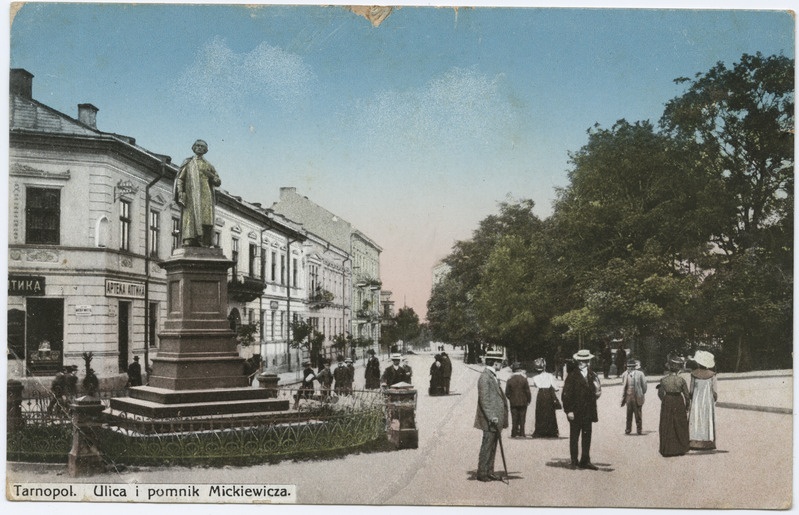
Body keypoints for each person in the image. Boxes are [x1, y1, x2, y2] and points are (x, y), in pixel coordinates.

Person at [173, 139, 221, 247]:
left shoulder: (208, 165)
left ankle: (205, 240)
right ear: (194, 148)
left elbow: (218, 181)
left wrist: (211, 176)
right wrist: (180, 192)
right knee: (190, 217)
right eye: (197, 145)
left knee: (206, 217)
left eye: (202, 146)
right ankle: (189, 239)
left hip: (205, 194)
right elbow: (180, 179)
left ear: (205, 150)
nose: (199, 147)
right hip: (191, 194)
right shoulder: (189, 163)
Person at [561, 349, 601, 470]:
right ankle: (574, 461)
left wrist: (597, 393)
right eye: (580, 360)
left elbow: (597, 391)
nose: (581, 363)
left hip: (588, 411)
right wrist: (569, 411)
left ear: (588, 361)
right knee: (574, 436)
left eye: (584, 360)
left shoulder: (592, 375)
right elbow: (566, 394)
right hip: (575, 411)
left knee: (587, 436)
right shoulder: (572, 375)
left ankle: (585, 460)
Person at [474, 359, 509, 482]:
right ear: (495, 363)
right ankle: (482, 473)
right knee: (487, 445)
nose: (502, 365)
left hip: (495, 418)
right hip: (490, 419)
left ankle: (489, 471)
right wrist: (491, 416)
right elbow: (484, 400)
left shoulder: (492, 376)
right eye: (501, 363)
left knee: (493, 445)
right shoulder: (485, 377)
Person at [658, 355, 691, 457]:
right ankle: (680, 448)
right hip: (678, 400)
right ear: (678, 369)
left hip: (667, 400)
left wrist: (664, 400)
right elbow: (687, 395)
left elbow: (660, 393)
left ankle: (667, 449)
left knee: (667, 424)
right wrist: (687, 406)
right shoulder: (681, 380)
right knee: (679, 423)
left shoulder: (663, 380)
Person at [687, 350, 718, 450]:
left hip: (696, 400)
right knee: (707, 418)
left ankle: (694, 441)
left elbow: (691, 390)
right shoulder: (712, 375)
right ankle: (708, 441)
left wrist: (691, 397)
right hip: (708, 401)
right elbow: (714, 391)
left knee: (696, 418)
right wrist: (714, 398)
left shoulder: (694, 374)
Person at [531, 357, 560, 438]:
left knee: (540, 412)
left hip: (540, 394)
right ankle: (551, 431)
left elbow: (536, 385)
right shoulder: (550, 376)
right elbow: (556, 387)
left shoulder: (535, 378)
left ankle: (540, 431)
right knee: (550, 412)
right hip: (548, 394)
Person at [620, 358, 647, 435]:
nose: (629, 368)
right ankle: (628, 429)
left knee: (638, 414)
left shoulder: (640, 374)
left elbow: (644, 386)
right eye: (628, 367)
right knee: (628, 414)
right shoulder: (624, 374)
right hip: (628, 396)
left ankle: (639, 429)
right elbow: (624, 384)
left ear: (634, 367)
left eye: (631, 367)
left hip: (637, 396)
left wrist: (641, 393)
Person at [504, 362, 531, 438]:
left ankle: (514, 433)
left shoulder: (510, 379)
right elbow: (527, 391)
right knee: (522, 418)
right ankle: (522, 433)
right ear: (519, 370)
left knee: (514, 418)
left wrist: (511, 398)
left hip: (513, 402)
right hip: (523, 401)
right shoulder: (524, 379)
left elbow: (507, 392)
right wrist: (528, 400)